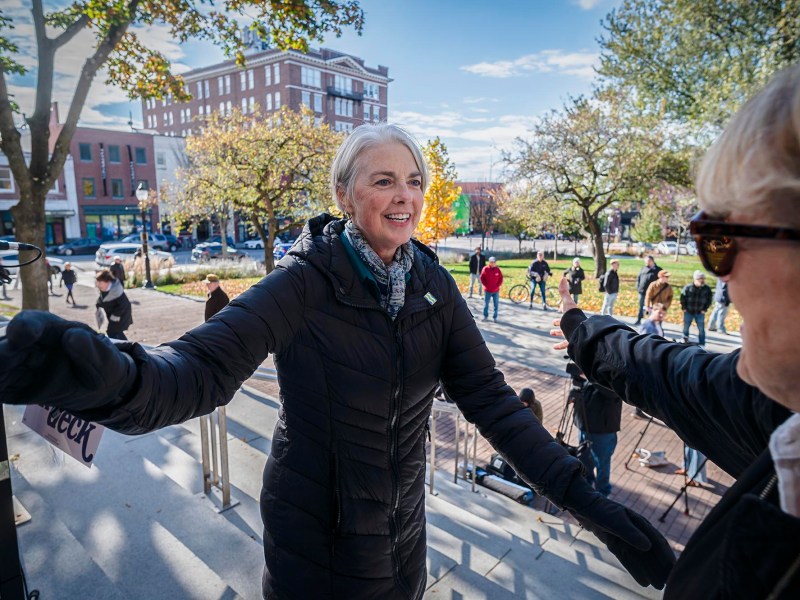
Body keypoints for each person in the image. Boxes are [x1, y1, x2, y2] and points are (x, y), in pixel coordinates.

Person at [0, 123, 674, 599]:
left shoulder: (435, 286)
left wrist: (589, 502)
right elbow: (199, 372)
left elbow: (493, 403)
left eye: (415, 180)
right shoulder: (304, 281)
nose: (406, 195)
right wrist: (115, 378)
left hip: (403, 531)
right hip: (312, 540)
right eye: (385, 181)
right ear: (346, 195)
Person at [552, 65, 800, 599]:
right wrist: (583, 329)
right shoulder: (784, 422)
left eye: (719, 239)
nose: (720, 274)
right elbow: (677, 378)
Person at [572, 380, 623, 497]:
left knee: (602, 463)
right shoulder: (589, 366)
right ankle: (586, 485)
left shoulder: (613, 367)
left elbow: (613, 392)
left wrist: (591, 377)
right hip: (583, 424)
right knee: (584, 458)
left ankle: (603, 493)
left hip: (602, 429)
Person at [95, 269, 132, 340]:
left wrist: (114, 317)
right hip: (113, 315)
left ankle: (126, 347)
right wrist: (98, 304)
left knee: (112, 332)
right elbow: (102, 298)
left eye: (100, 282)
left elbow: (122, 306)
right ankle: (125, 346)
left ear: (107, 282)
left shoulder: (116, 290)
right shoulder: (104, 288)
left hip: (121, 316)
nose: (98, 284)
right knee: (116, 332)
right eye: (97, 282)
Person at [680, 270, 712, 345]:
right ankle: (684, 341)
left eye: (703, 279)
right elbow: (683, 298)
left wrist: (705, 309)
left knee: (701, 329)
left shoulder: (706, 289)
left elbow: (709, 300)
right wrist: (683, 307)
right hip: (688, 311)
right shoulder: (688, 287)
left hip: (700, 312)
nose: (702, 281)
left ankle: (702, 343)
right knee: (686, 327)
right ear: (695, 279)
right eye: (700, 279)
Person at [634, 256, 660, 325]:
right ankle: (639, 319)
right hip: (642, 292)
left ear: (652, 261)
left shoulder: (658, 270)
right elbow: (638, 278)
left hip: (652, 293)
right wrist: (638, 287)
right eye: (645, 261)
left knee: (650, 308)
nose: (646, 263)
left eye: (647, 261)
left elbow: (659, 283)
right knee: (641, 306)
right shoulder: (643, 268)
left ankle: (650, 322)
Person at [480, 255, 503, 322]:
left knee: (496, 304)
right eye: (491, 262)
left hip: (496, 291)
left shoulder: (497, 269)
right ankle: (485, 316)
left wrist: (498, 285)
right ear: (489, 262)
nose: (493, 263)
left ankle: (495, 317)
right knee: (486, 304)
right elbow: (482, 278)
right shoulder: (485, 269)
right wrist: (486, 285)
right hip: (487, 290)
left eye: (494, 262)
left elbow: (501, 278)